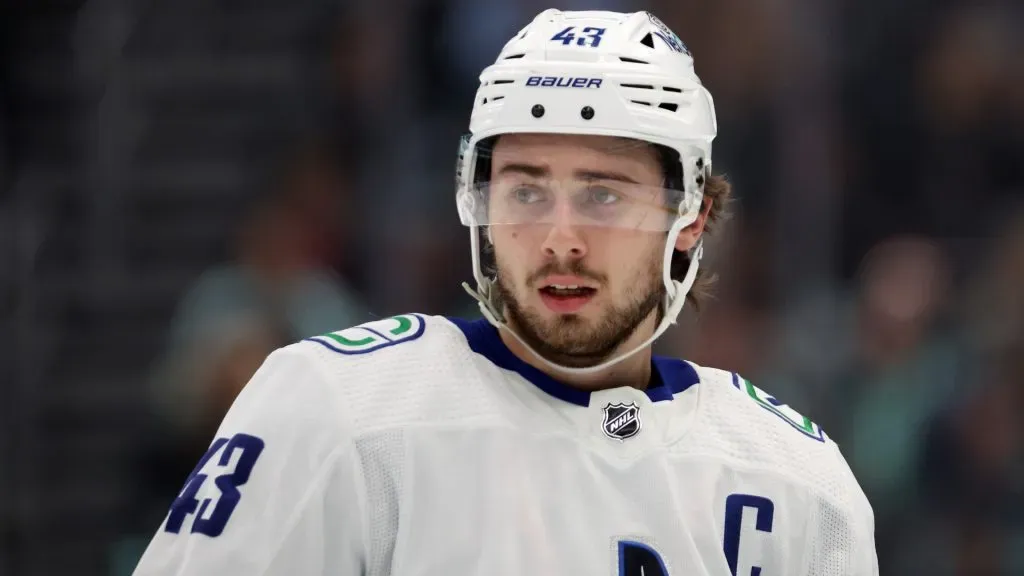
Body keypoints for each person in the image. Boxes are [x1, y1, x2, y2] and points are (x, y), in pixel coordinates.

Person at [132, 9, 878, 575]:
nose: (559, 237)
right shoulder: (335, 409)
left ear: (691, 218)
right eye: (525, 192)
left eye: (604, 195)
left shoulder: (794, 483)